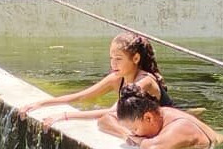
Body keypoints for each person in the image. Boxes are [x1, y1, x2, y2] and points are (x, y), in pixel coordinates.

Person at [18, 33, 173, 128]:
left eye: (118, 59)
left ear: (136, 58)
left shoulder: (144, 82)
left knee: (107, 120)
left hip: (170, 122)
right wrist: (41, 103)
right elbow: (81, 96)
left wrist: (65, 116)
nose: (113, 64)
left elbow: (114, 112)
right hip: (146, 122)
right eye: (111, 58)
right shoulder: (117, 78)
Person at [113, 83, 223, 149]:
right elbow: (104, 120)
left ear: (148, 118)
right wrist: (128, 135)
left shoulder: (178, 127)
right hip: (214, 144)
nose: (134, 134)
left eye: (135, 130)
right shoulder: (159, 115)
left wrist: (137, 141)